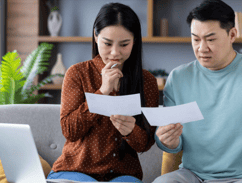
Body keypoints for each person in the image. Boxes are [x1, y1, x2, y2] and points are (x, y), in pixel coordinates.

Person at [153, 0, 242, 183]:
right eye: (195, 39)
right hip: (194, 175)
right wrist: (168, 140)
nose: (201, 48)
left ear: (232, 35)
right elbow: (172, 144)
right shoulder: (179, 78)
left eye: (211, 39)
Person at [47, 2, 159, 182]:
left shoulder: (147, 81)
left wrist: (130, 130)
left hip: (123, 174)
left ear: (135, 41)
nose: (115, 52)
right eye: (107, 43)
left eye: (124, 44)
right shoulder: (77, 73)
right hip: (75, 169)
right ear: (96, 36)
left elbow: (144, 144)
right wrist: (102, 92)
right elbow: (69, 131)